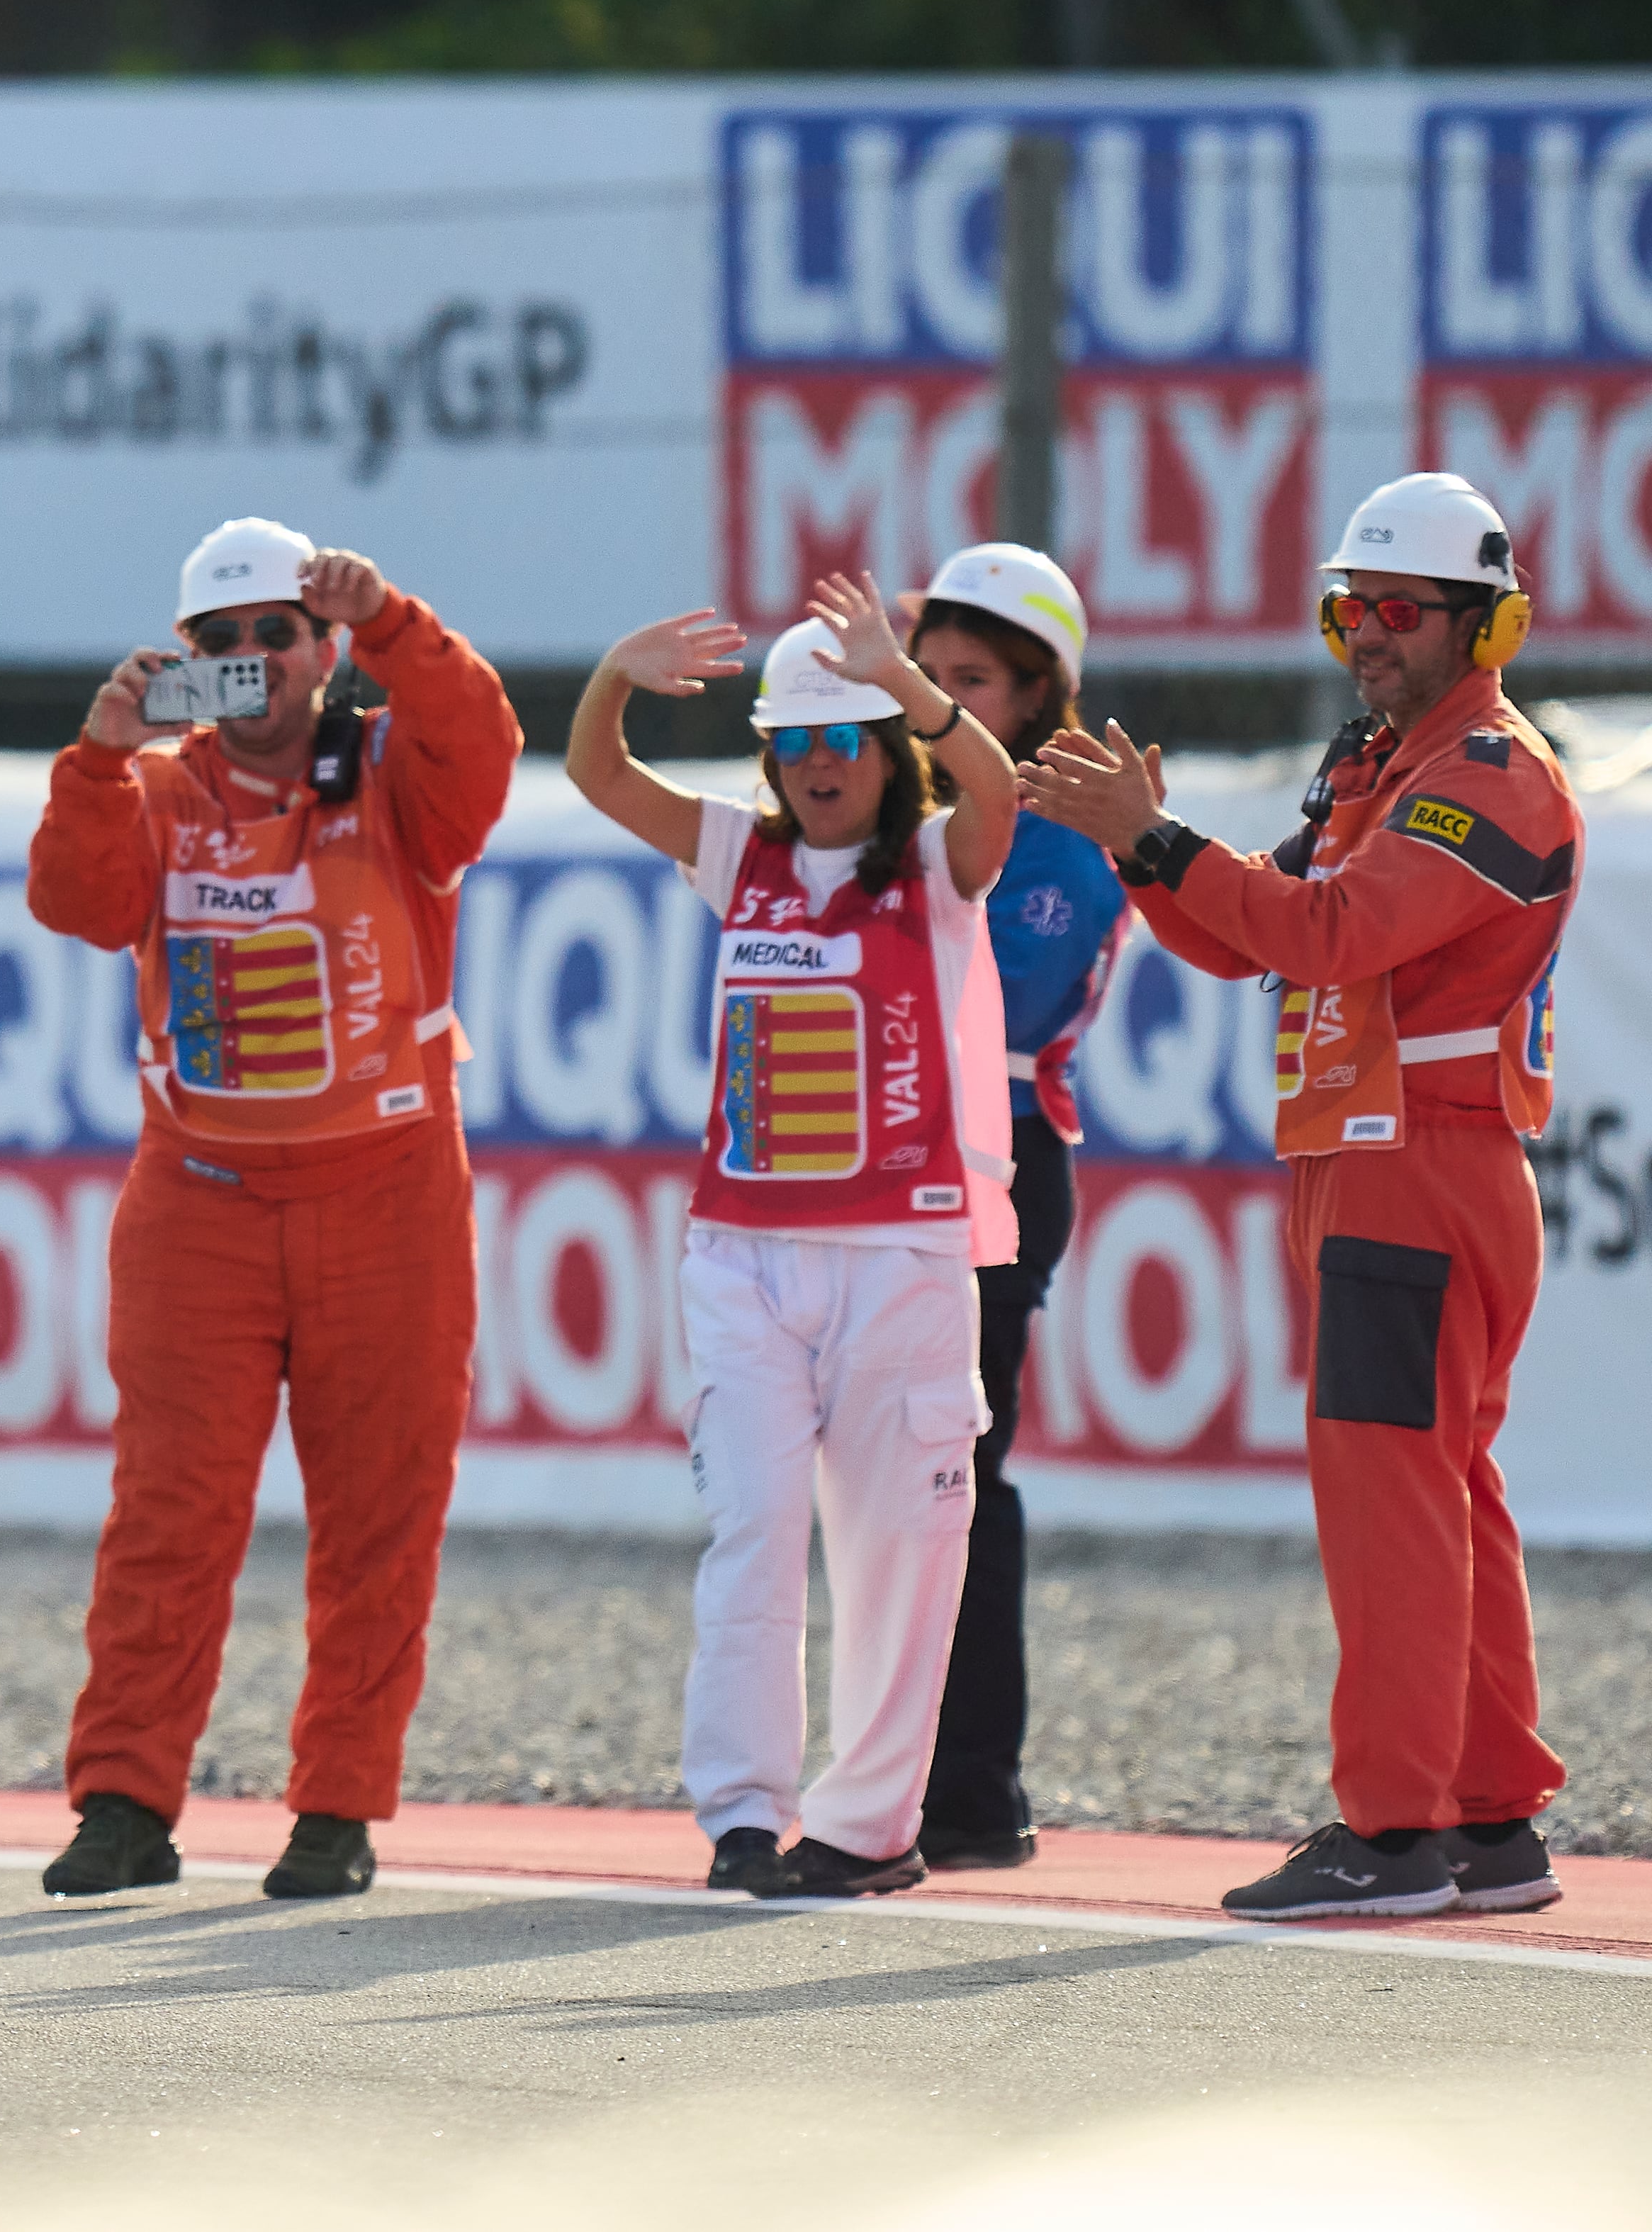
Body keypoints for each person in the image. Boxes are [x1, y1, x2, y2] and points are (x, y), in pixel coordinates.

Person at [1020, 473, 1578, 1922]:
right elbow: (1242, 929)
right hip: (1380, 1160)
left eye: (1400, 609)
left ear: (1486, 622)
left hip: (1421, 1168)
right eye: (1351, 606)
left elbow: (1329, 932)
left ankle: (1390, 1835)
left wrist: (1154, 840)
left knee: (1392, 1503)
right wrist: (1133, 849)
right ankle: (1488, 1820)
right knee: (1443, 1494)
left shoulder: (1489, 775)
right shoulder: (1383, 764)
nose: (1368, 633)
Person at [24, 517, 522, 1902]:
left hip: (390, 1190)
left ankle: (338, 1808)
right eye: (218, 644)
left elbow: (481, 748)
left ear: (323, 648)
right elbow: (73, 899)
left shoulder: (393, 771)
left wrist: (400, 622)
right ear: (185, 659)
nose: (249, 663)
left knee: (380, 1516)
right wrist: (95, 752)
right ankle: (124, 1800)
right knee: (167, 1514)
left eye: (274, 636)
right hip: (199, 1199)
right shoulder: (151, 786)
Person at [565, 578, 1018, 1900]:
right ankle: (745, 1816)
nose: (821, 766)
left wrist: (917, 686)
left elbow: (993, 798)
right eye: (799, 743)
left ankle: (869, 1830)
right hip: (742, 1257)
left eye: (847, 740)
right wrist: (617, 667)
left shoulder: (938, 866)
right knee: (755, 1534)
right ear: (773, 757)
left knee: (896, 1564)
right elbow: (600, 771)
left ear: (890, 755)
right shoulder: (741, 855)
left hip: (904, 1258)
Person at [902, 545, 1126, 1875]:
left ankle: (975, 1788)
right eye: (928, 676)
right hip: (875, 1166)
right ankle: (889, 1770)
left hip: (1000, 1162)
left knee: (963, 1474)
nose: (940, 700)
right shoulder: (888, 802)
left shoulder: (1070, 840)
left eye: (972, 680)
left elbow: (1012, 988)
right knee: (877, 1479)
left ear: (1044, 691)